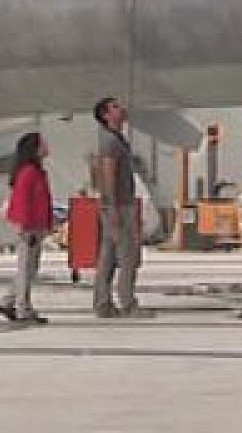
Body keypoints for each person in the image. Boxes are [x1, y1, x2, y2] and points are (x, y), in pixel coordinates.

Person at [92, 97, 150, 318]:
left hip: (116, 204)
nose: (121, 108)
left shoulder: (117, 140)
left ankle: (103, 304)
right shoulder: (110, 142)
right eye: (115, 106)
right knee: (127, 256)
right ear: (105, 115)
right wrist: (113, 208)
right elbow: (108, 175)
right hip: (118, 205)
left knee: (107, 257)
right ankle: (128, 303)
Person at [0, 129, 53, 324]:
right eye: (42, 143)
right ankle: (23, 308)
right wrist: (23, 227)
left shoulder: (36, 171)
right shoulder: (29, 172)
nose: (46, 146)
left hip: (35, 226)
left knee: (28, 268)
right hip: (29, 227)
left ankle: (8, 301)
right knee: (27, 268)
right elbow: (21, 201)